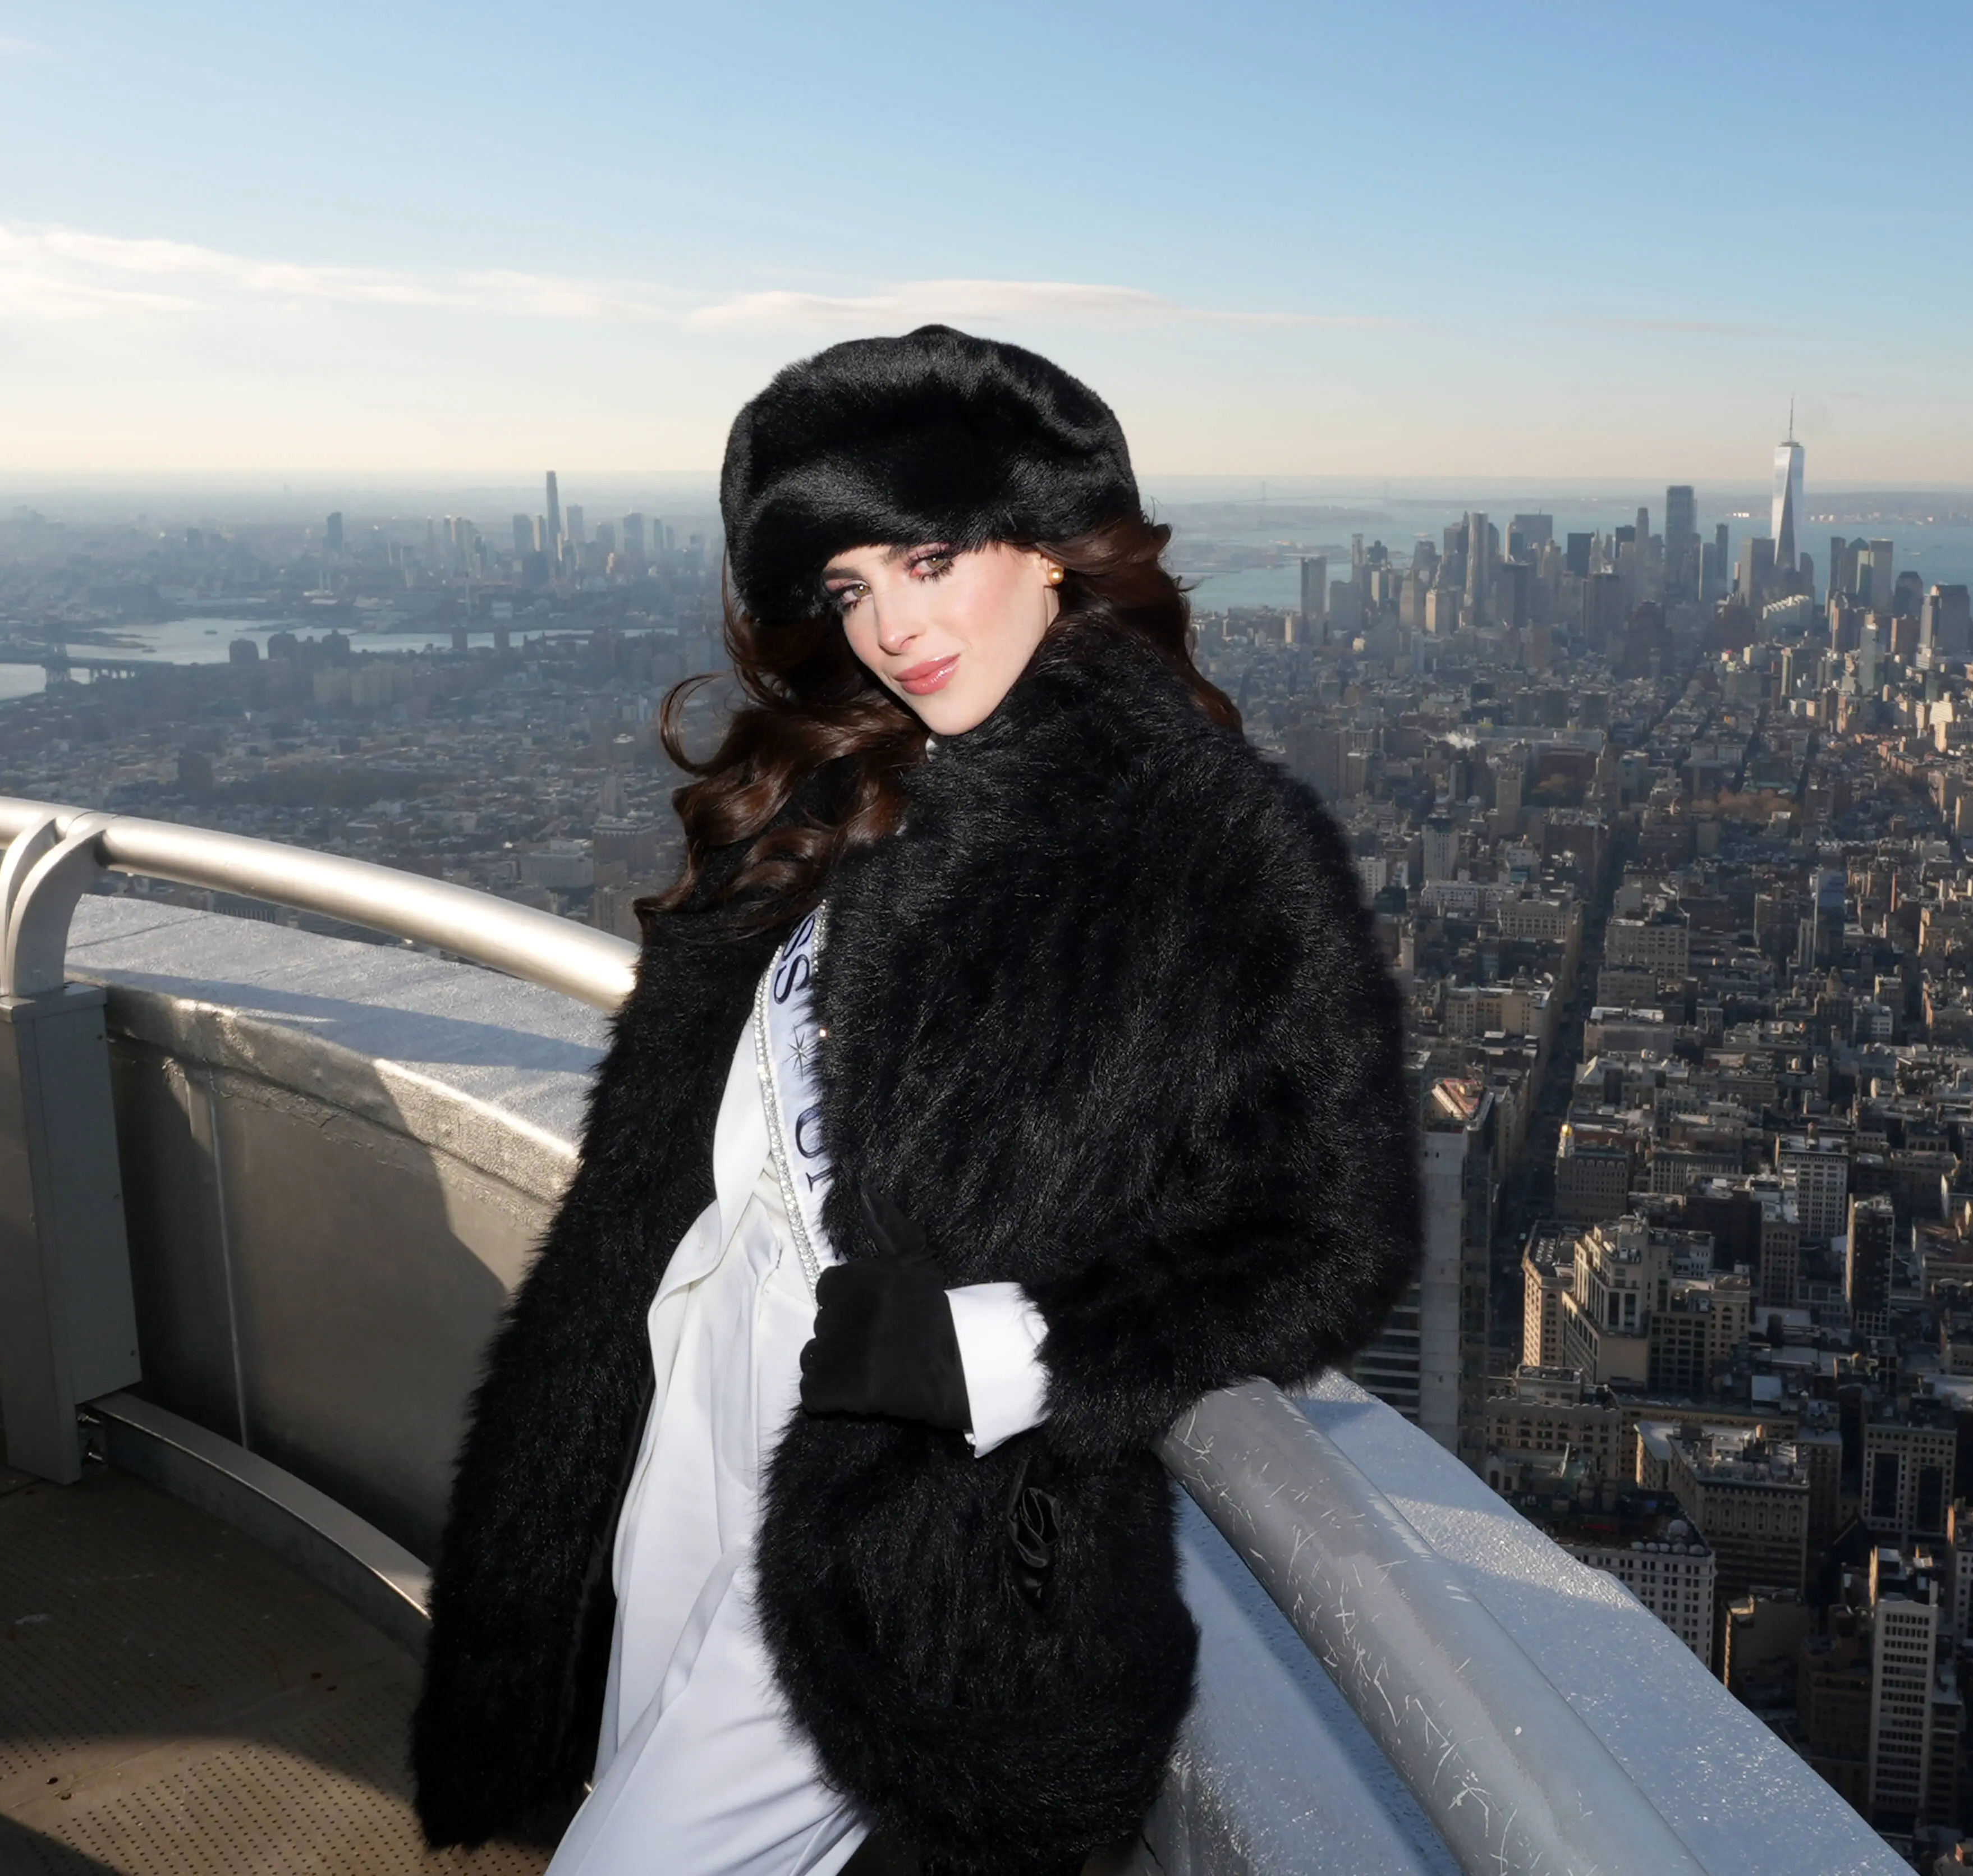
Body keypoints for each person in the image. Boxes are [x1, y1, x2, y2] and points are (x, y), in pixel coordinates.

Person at [409, 327, 1419, 1876]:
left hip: (899, 1506)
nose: (892, 629)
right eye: (850, 589)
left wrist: (1010, 1349)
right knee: (622, 1768)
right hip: (697, 1397)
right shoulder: (846, 786)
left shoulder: (1215, 845)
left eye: (928, 559)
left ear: (1056, 549)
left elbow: (1337, 1233)